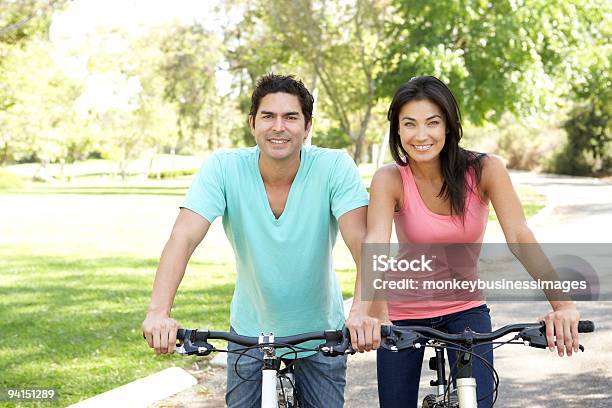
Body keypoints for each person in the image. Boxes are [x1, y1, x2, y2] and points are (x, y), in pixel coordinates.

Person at [346, 76, 581, 407]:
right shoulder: (390, 178)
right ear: (397, 130)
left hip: (465, 310)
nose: (421, 135)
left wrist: (563, 305)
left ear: (449, 126)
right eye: (409, 124)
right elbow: (376, 245)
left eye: (432, 123)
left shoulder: (485, 169)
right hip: (402, 313)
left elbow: (519, 236)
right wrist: (360, 311)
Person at [142, 73, 368, 407]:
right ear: (252, 123)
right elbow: (183, 237)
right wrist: (158, 311)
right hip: (250, 332)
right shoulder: (223, 168)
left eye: (291, 117)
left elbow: (363, 244)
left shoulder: (334, 167)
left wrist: (363, 311)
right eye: (268, 116)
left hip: (322, 333)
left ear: (307, 127)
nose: (279, 126)